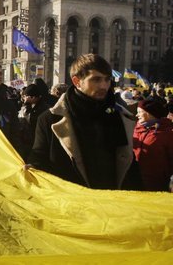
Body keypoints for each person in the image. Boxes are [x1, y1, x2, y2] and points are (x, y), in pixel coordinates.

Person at [27, 54, 142, 190]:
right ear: (77, 81)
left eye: (107, 79)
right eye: (96, 79)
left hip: (113, 202)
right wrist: (32, 167)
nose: (104, 86)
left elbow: (129, 166)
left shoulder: (119, 116)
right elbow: (39, 156)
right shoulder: (50, 119)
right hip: (71, 202)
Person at [133, 99, 173, 192]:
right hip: (136, 180)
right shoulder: (137, 128)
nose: (136, 115)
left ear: (149, 113)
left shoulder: (167, 132)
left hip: (158, 184)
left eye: (139, 112)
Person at [18, 84, 51, 158]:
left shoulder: (42, 109)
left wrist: (26, 105)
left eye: (26, 96)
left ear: (32, 97)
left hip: (36, 142)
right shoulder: (34, 106)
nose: (24, 98)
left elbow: (25, 120)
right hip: (29, 141)